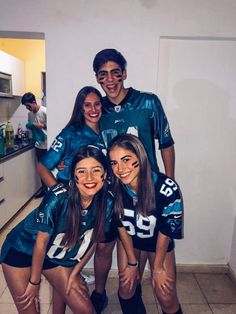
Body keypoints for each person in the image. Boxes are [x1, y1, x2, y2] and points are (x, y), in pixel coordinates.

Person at [91, 48, 176, 312]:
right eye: (103, 74)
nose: (110, 79)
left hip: (148, 191)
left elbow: (166, 143)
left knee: (158, 270)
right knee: (115, 254)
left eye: (115, 72)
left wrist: (168, 185)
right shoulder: (97, 109)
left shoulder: (149, 102)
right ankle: (101, 292)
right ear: (97, 78)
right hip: (114, 194)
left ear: (124, 73)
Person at [0, 146, 114, 314]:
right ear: (73, 176)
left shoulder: (108, 202)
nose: (89, 177)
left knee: (86, 309)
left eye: (96, 170)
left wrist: (75, 272)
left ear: (105, 174)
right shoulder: (58, 198)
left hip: (53, 255)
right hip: (21, 250)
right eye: (81, 171)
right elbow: (41, 243)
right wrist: (34, 282)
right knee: (30, 309)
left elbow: (95, 241)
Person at [37, 86, 106, 286]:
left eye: (97, 104)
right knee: (69, 239)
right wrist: (60, 193)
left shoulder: (108, 129)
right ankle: (65, 278)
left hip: (95, 194)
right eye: (87, 105)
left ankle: (74, 274)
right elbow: (42, 166)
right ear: (80, 108)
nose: (93, 109)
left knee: (81, 239)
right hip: (73, 195)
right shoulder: (71, 133)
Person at [107, 134, 183, 314]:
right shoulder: (113, 188)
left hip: (158, 242)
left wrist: (157, 268)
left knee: (165, 295)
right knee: (127, 288)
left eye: (126, 160)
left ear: (140, 158)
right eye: (114, 163)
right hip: (130, 240)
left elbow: (166, 231)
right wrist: (133, 263)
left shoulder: (167, 188)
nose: (121, 168)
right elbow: (120, 227)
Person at [21, 92, 47, 198]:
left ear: (34, 102)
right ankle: (44, 190)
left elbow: (53, 125)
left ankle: (52, 192)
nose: (27, 108)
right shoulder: (30, 114)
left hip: (48, 145)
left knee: (50, 169)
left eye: (28, 105)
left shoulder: (44, 111)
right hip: (38, 145)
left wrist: (43, 125)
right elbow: (31, 125)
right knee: (41, 170)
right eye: (26, 106)